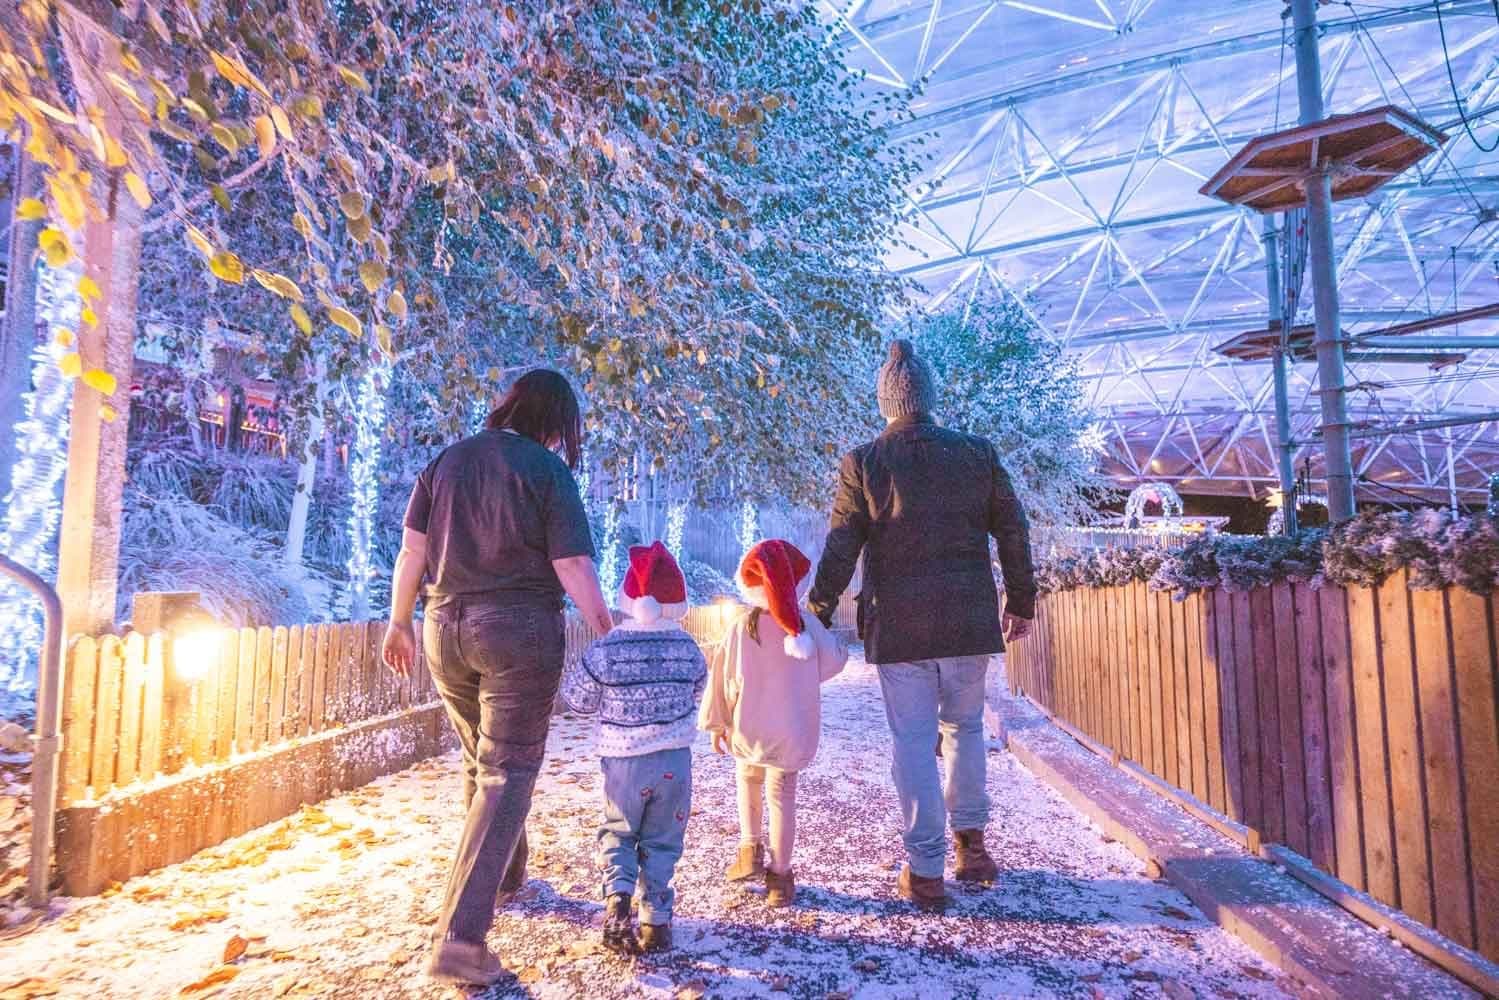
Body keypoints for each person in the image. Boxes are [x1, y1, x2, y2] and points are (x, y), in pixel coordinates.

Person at [382, 369, 615, 987]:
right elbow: (570, 562)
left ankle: (505, 875)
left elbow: (411, 552)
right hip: (517, 630)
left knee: (480, 760)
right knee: (507, 769)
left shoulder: (447, 462)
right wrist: (603, 626)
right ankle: (460, 937)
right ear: (556, 421)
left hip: (443, 625)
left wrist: (399, 621)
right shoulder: (546, 471)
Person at [806, 339, 1037, 910]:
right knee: (964, 730)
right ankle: (973, 846)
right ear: (928, 398)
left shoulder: (865, 462)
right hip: (967, 621)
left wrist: (817, 608)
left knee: (912, 741)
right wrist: (1022, 599)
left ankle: (926, 868)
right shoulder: (977, 454)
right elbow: (1012, 529)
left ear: (886, 401)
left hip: (901, 624)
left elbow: (843, 542)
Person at [560, 541, 707, 955]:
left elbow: (577, 699)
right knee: (663, 840)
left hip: (623, 763)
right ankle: (656, 924)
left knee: (620, 831)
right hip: (673, 762)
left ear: (628, 599)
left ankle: (618, 901)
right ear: (676, 602)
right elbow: (698, 691)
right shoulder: (687, 647)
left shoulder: (607, 647)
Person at [700, 539, 847, 909]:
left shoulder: (740, 627)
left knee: (747, 781)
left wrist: (719, 722)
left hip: (748, 728)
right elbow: (832, 661)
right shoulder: (805, 624)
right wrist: (805, 677)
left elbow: (725, 678)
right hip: (791, 731)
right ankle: (780, 877)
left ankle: (749, 848)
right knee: (782, 797)